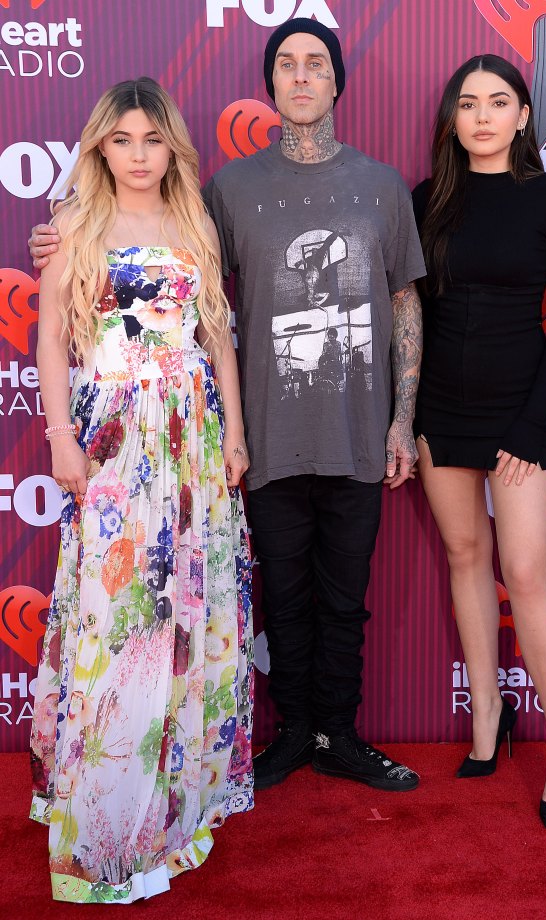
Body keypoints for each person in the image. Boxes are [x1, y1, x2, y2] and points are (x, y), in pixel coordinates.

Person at [34, 20, 426, 794]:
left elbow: (406, 302)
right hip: (263, 439)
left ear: (338, 82)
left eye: (317, 64)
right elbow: (157, 266)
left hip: (352, 433)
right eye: (287, 65)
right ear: (271, 84)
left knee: (347, 598)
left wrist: (402, 419)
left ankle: (339, 736)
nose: (303, 77)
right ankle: (289, 736)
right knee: (278, 595)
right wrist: (62, 237)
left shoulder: (380, 186)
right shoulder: (229, 191)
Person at [28, 78, 253, 903]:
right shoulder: (74, 227)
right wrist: (61, 437)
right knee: (118, 619)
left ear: (172, 149)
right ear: (100, 148)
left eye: (151, 141)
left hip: (192, 440)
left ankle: (172, 813)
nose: (137, 156)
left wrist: (232, 430)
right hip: (117, 437)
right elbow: (52, 342)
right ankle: (107, 824)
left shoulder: (194, 220)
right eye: (121, 140)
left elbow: (218, 332)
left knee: (185, 614)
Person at [412, 55, 546, 827]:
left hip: (521, 413)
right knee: (465, 557)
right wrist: (406, 414)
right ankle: (487, 717)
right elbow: (410, 316)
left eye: (498, 102)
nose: (482, 116)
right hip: (439, 409)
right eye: (468, 104)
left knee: (525, 570)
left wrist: (531, 417)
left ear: (523, 116)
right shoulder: (426, 202)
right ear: (453, 119)